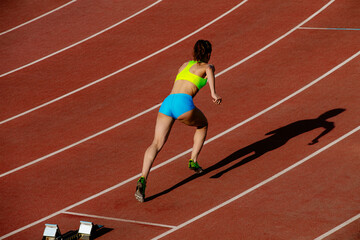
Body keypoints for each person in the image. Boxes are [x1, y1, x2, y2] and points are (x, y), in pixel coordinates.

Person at [135, 40, 222, 202]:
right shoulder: (206, 67)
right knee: (202, 125)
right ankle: (193, 160)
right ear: (208, 54)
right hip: (183, 103)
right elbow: (209, 69)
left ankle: (142, 178)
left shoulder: (184, 65)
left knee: (156, 143)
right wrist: (213, 93)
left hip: (167, 102)